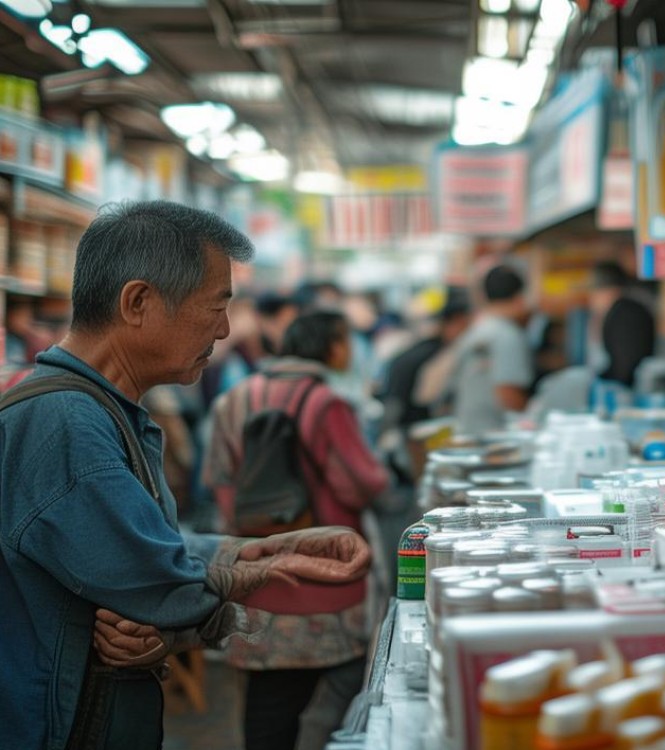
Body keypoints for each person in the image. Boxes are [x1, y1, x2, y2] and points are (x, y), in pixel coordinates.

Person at [0, 201, 371, 750]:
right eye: (213, 306)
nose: (223, 330)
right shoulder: (64, 422)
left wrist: (263, 551)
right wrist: (193, 599)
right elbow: (156, 584)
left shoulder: (106, 411)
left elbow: (148, 564)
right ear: (138, 301)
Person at [204, 309, 389, 750]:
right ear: (331, 347)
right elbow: (362, 483)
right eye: (345, 340)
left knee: (268, 711)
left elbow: (218, 480)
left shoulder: (235, 399)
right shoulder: (327, 403)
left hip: (258, 578)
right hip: (328, 581)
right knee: (350, 690)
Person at [377, 288, 472, 464]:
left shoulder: (420, 348)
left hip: (403, 428)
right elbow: (429, 399)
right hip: (418, 433)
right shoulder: (440, 354)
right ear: (455, 322)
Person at [447, 265, 534, 435]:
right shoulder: (507, 335)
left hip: (469, 432)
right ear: (520, 298)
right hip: (495, 438)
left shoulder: (475, 331)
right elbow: (508, 392)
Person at [589, 261, 657, 388]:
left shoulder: (626, 314)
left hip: (631, 387)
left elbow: (625, 365)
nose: (592, 299)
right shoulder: (623, 310)